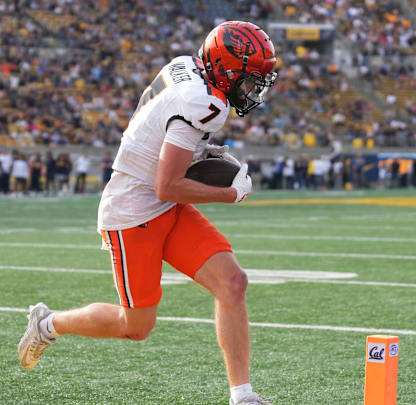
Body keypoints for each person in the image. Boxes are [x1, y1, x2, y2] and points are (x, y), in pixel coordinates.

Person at [18, 21, 277, 405]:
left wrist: (197, 152)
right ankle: (48, 324)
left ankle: (242, 396)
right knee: (135, 327)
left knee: (233, 283)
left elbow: (155, 132)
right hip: (133, 211)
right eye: (248, 79)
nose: (252, 90)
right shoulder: (207, 104)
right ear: (225, 69)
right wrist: (230, 193)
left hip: (162, 203)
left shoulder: (185, 66)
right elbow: (167, 185)